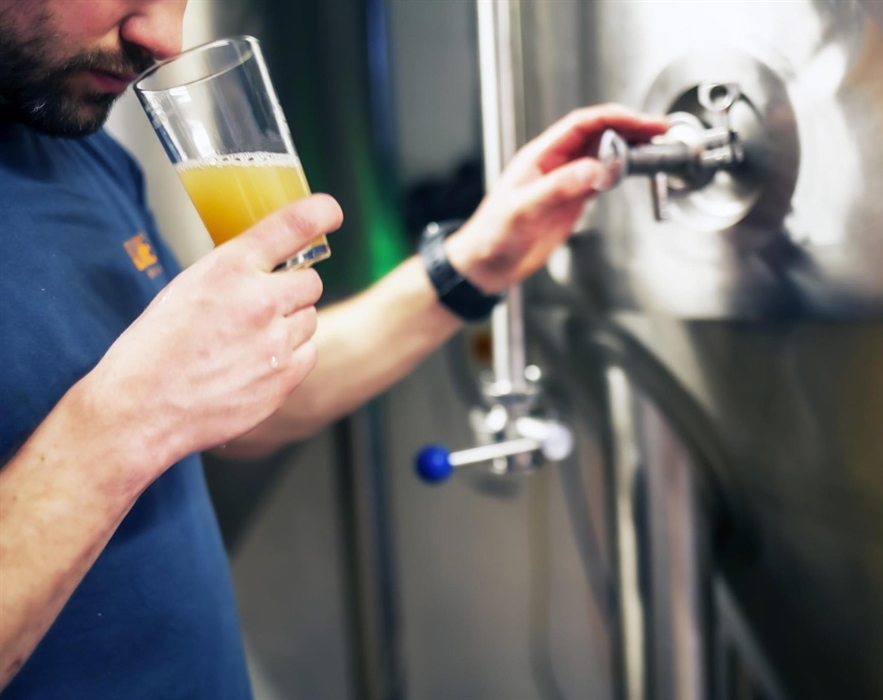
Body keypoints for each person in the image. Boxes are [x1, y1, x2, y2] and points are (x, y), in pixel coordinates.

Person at [0, 0, 668, 697]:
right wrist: (130, 420)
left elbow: (247, 405)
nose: (164, 40)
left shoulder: (75, 147)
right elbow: (154, 410)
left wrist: (474, 263)